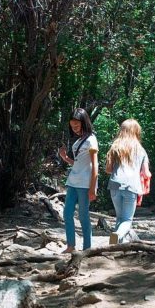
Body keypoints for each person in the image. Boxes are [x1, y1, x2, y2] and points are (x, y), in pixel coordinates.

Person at [58, 108, 99, 253]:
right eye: (72, 125)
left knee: (83, 216)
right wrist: (65, 158)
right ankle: (71, 246)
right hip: (73, 182)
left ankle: (87, 248)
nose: (74, 127)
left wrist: (93, 187)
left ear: (84, 122)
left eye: (77, 124)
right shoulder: (79, 141)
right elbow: (78, 163)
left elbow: (95, 165)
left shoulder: (91, 140)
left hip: (84, 184)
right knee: (67, 213)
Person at [105, 119, 151, 244]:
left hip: (114, 185)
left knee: (120, 217)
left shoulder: (115, 147)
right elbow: (146, 173)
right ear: (136, 132)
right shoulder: (141, 150)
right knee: (127, 220)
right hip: (131, 186)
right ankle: (117, 235)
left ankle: (116, 245)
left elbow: (108, 169)